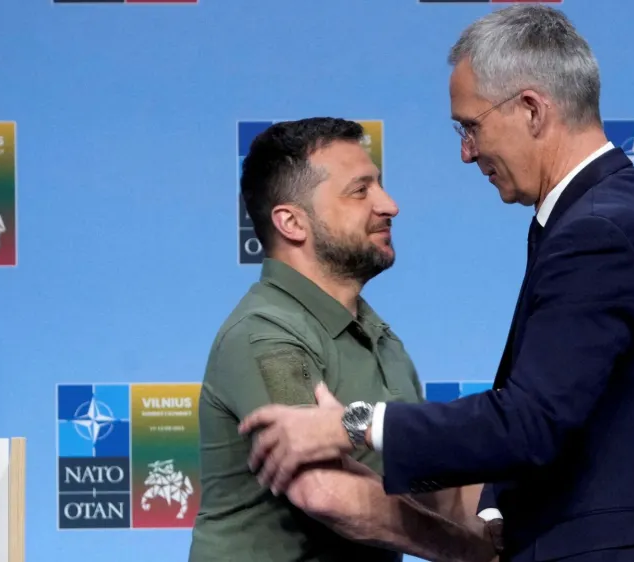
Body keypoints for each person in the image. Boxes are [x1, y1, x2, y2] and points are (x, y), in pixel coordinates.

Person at [237, 7, 634, 562]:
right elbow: (575, 411)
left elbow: (530, 422)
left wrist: (353, 423)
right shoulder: (599, 216)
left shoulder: (599, 231)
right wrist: (496, 507)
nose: (467, 152)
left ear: (531, 109)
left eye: (471, 126)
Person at [188, 117, 497, 562]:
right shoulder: (265, 334)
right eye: (361, 191)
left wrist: (509, 526)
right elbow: (325, 491)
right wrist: (473, 550)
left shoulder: (383, 340)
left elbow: (438, 491)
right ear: (292, 222)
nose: (390, 205)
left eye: (381, 187)